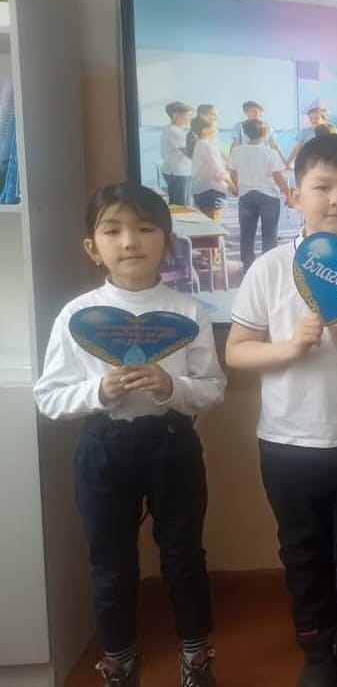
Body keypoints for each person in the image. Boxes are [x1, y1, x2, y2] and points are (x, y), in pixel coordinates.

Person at [225, 134, 337, 687]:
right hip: (288, 441)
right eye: (322, 187)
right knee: (303, 553)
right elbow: (236, 352)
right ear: (295, 194)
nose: (336, 200)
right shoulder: (270, 269)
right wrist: (288, 348)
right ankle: (317, 650)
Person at [34, 183, 226, 687]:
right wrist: (98, 391)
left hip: (172, 444)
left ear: (167, 242)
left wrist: (171, 386)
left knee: (184, 557)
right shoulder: (77, 315)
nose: (129, 241)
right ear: (92, 248)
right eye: (113, 230)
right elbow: (49, 397)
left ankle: (195, 658)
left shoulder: (188, 312)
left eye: (144, 228)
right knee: (110, 563)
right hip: (103, 448)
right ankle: (119, 663)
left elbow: (213, 389)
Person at [228, 119, 290, 273]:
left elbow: (233, 173)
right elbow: (278, 177)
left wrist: (235, 188)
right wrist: (288, 193)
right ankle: (268, 266)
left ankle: (247, 265)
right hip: (269, 196)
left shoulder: (237, 151)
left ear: (245, 133)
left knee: (246, 232)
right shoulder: (270, 153)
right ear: (266, 134)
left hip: (246, 195)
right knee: (270, 232)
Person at [190, 116, 235, 222]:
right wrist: (232, 186)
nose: (217, 130)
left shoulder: (200, 144)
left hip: (201, 189)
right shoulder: (207, 146)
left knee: (205, 223)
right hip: (211, 190)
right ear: (205, 130)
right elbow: (219, 171)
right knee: (213, 224)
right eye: (214, 127)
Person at [160, 101, 194, 206]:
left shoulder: (180, 129)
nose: (190, 118)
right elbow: (188, 152)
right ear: (175, 115)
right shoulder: (173, 131)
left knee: (181, 203)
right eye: (188, 115)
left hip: (182, 170)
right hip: (178, 171)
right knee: (181, 205)